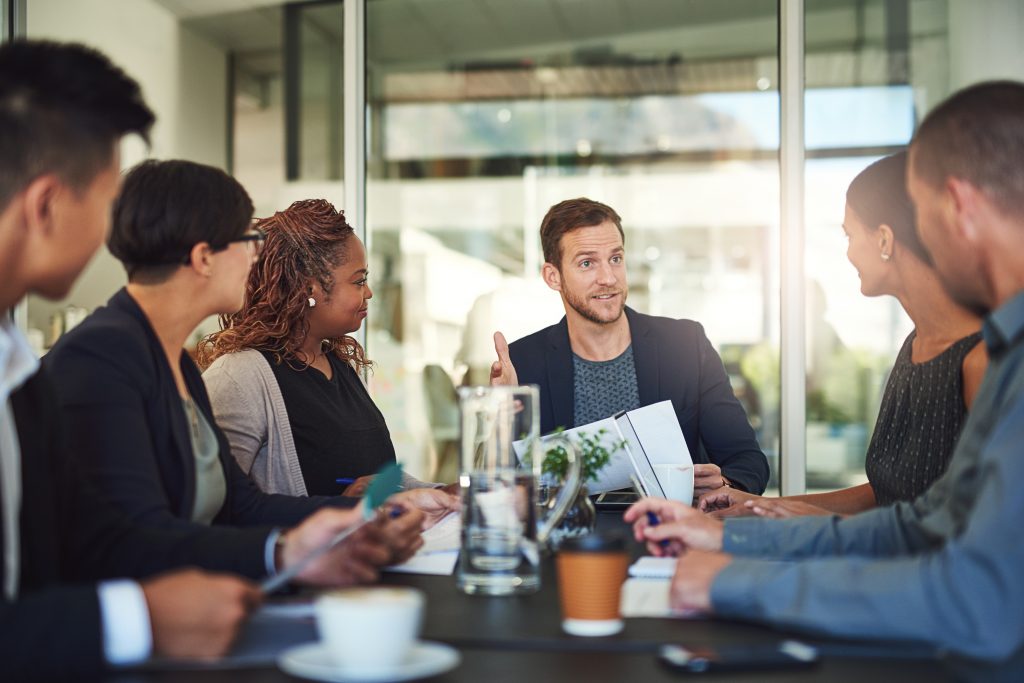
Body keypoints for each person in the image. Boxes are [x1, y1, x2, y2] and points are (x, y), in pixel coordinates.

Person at [0, 40, 415, 680]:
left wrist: (301, 540)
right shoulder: (95, 361)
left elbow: (226, 509)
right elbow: (115, 545)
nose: (258, 255)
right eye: (105, 198)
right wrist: (142, 615)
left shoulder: (157, 363)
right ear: (48, 203)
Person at [625, 81, 1024, 664]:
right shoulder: (1008, 347)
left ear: (958, 206)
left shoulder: (997, 358)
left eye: (923, 214)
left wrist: (733, 581)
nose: (923, 240)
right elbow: (921, 523)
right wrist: (731, 536)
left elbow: (977, 601)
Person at [44, 160, 454, 536]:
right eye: (248, 240)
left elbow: (238, 505)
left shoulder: (176, 366)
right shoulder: (99, 360)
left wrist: (354, 519)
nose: (257, 257)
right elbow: (135, 538)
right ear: (204, 257)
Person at [700, 152, 987, 519]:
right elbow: (887, 495)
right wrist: (762, 505)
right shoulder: (915, 346)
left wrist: (796, 520)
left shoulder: (981, 357)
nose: (848, 252)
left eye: (850, 235)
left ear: (884, 239)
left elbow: (960, 528)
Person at [489, 198, 770, 496]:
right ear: (553, 276)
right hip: (568, 538)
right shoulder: (523, 363)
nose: (608, 278)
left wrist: (725, 485)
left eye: (615, 259)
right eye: (587, 263)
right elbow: (498, 487)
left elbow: (748, 462)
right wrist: (500, 420)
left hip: (670, 532)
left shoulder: (686, 345)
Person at [199, 199, 441, 498]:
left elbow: (379, 479)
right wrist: (338, 509)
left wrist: (448, 495)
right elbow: (222, 508)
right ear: (309, 290)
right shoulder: (238, 377)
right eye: (359, 280)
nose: (369, 292)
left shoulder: (337, 365)